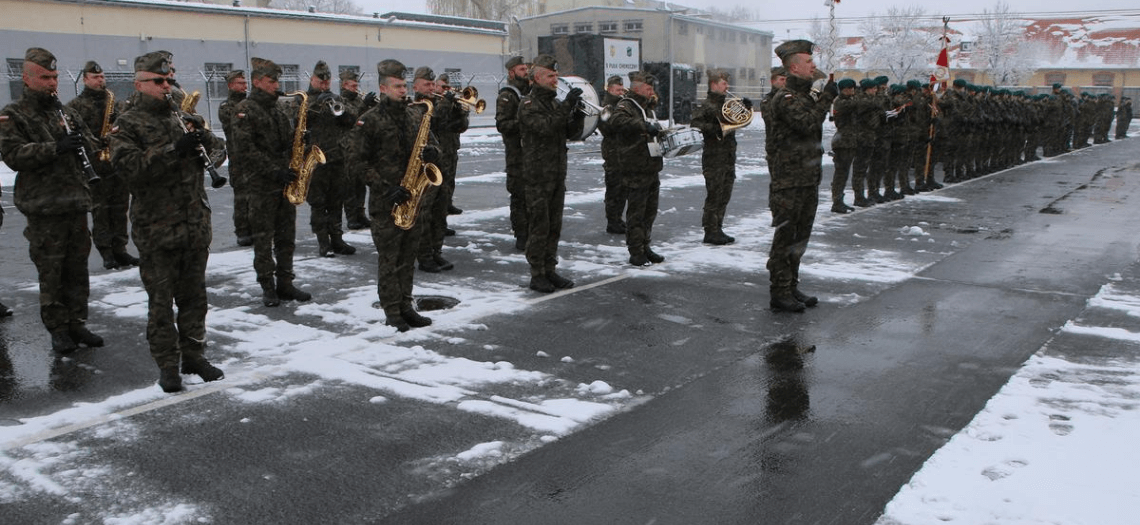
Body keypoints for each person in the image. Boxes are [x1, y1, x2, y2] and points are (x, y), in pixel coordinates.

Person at [109, 51, 226, 393]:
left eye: (169, 80)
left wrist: (204, 142)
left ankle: (194, 356)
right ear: (139, 83)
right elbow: (128, 169)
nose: (166, 86)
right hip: (156, 227)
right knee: (160, 302)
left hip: (193, 223)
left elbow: (219, 151)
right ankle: (167, 365)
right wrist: (174, 149)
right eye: (158, 81)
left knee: (195, 298)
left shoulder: (183, 116)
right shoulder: (127, 123)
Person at [0, 47, 102, 352]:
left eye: (55, 76)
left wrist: (86, 143)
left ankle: (77, 323)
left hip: (74, 201)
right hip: (44, 206)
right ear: (28, 78)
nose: (52, 82)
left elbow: (94, 146)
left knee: (77, 269)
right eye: (45, 77)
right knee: (51, 270)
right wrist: (55, 147)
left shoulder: (66, 112)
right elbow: (13, 155)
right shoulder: (13, 114)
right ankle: (57, 328)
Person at [343, 59, 441, 331]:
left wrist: (434, 154)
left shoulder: (414, 115)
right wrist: (385, 187)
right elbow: (355, 163)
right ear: (383, 88)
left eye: (404, 85)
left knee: (408, 257)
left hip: (413, 198)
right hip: (386, 201)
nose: (403, 90)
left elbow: (433, 145)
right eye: (397, 86)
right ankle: (391, 310)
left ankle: (406, 305)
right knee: (389, 259)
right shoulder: (369, 120)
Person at [231, 57, 311, 307]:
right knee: (263, 239)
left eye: (277, 80)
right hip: (260, 184)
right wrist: (275, 171)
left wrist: (299, 140)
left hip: (283, 184)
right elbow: (245, 150)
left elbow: (285, 144)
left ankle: (285, 283)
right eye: (271, 81)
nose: (277, 85)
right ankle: (268, 287)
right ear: (257, 82)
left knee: (286, 237)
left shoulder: (277, 110)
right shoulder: (245, 109)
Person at [765, 39, 837, 312]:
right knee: (785, 238)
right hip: (789, 182)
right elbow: (807, 123)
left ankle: (792, 285)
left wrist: (821, 97)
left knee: (800, 238)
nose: (814, 66)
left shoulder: (804, 96)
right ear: (794, 67)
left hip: (806, 180)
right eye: (808, 62)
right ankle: (779, 290)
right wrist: (827, 97)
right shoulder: (784, 98)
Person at [517, 54, 585, 292]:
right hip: (537, 176)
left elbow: (566, 131)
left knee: (554, 226)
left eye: (556, 75)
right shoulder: (528, 104)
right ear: (537, 78)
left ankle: (550, 269)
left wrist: (577, 115)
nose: (555, 79)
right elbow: (546, 128)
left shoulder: (555, 103)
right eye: (550, 75)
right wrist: (567, 106)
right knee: (539, 227)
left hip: (557, 174)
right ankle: (537, 273)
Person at [67, 60, 138, 270]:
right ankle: (106, 252)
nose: (101, 80)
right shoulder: (75, 106)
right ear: (86, 79)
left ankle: (121, 249)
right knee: (100, 210)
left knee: (119, 207)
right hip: (94, 163)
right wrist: (97, 144)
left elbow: (124, 125)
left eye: (102, 77)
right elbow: (77, 134)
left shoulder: (113, 102)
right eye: (96, 77)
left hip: (115, 161)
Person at [298, 60, 356, 257]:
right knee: (318, 202)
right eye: (320, 81)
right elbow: (297, 123)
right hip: (314, 158)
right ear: (312, 79)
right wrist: (316, 105)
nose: (324, 85)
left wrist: (341, 111)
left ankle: (337, 239)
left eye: (327, 82)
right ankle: (323, 242)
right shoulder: (303, 100)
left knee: (336, 201)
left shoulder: (336, 98)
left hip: (337, 157)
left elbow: (352, 120)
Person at [608, 70, 665, 267]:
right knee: (636, 212)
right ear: (638, 88)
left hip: (650, 165)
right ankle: (635, 250)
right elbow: (616, 121)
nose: (652, 92)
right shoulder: (626, 105)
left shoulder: (647, 107)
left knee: (650, 210)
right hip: (635, 166)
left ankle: (645, 245)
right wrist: (641, 125)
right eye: (649, 89)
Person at [415, 69, 467, 273]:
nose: (430, 88)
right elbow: (435, 122)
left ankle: (436, 251)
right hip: (425, 168)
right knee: (425, 214)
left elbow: (457, 126)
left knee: (439, 211)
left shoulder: (440, 104)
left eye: (431, 84)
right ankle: (424, 255)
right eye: (427, 85)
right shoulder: (416, 107)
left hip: (443, 163)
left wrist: (459, 109)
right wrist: (446, 103)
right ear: (416, 87)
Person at [691, 69, 748, 244]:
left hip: (728, 157)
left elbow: (739, 121)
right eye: (724, 83)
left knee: (724, 194)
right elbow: (695, 124)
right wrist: (716, 129)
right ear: (714, 85)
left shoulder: (726, 104)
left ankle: (718, 227)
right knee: (714, 195)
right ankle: (710, 230)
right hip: (714, 158)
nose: (727, 86)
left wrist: (746, 108)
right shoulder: (707, 105)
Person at [495, 55, 531, 251]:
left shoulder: (531, 92)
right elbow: (502, 124)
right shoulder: (508, 95)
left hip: (532, 154)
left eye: (526, 69)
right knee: (519, 196)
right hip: (517, 155)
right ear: (512, 73)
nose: (526, 73)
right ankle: (521, 234)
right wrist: (525, 122)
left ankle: (532, 230)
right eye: (522, 70)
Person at [218, 69, 252, 246]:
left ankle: (256, 228)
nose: (245, 86)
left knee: (256, 196)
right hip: (238, 159)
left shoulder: (251, 103)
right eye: (240, 83)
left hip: (254, 157)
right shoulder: (226, 106)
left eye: (245, 83)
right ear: (231, 85)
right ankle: (243, 231)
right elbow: (236, 124)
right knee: (241, 197)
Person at [598, 74, 629, 235]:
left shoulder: (621, 104)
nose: (621, 92)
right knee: (614, 189)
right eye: (618, 90)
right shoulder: (607, 107)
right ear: (610, 90)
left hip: (623, 152)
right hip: (612, 152)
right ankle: (612, 220)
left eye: (622, 89)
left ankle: (618, 218)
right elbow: (607, 128)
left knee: (622, 188)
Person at [828, 78, 858, 213]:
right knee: (840, 174)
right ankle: (837, 201)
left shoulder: (849, 100)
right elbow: (856, 105)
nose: (851, 91)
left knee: (844, 173)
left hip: (849, 141)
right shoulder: (840, 102)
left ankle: (839, 200)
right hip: (842, 142)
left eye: (852, 88)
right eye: (848, 89)